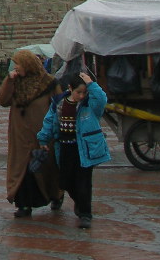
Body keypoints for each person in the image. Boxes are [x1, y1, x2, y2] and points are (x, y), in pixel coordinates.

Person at [37, 70, 110, 230]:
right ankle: (79, 201)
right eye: (78, 92)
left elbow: (102, 100)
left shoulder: (89, 104)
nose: (81, 96)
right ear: (70, 88)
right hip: (64, 147)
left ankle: (85, 214)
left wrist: (92, 84)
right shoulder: (59, 102)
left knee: (84, 182)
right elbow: (50, 120)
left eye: (84, 92)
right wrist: (43, 137)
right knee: (65, 181)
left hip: (84, 148)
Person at [0, 49, 62, 218]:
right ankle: (23, 205)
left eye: (18, 64)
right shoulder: (15, 81)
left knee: (46, 168)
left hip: (43, 135)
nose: (16, 67)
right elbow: (3, 101)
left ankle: (56, 195)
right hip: (20, 136)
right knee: (22, 170)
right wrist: (9, 81)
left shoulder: (49, 83)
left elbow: (59, 106)